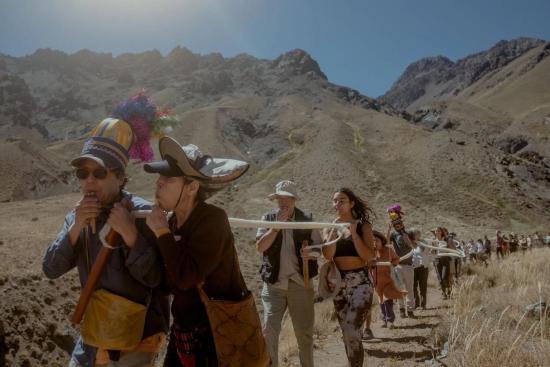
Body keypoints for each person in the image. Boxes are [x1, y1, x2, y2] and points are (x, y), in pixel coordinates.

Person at [43, 116, 170, 367]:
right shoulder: (77, 216)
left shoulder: (143, 215)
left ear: (121, 178)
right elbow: (51, 269)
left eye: (99, 173)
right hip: (93, 334)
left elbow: (158, 280)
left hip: (134, 339)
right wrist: (78, 225)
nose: (89, 180)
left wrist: (130, 235)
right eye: (83, 173)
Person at [143, 136, 254, 366]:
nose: (159, 184)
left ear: (192, 187)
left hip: (217, 332)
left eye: (168, 179)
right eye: (160, 178)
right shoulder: (172, 222)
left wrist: (162, 234)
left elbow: (185, 278)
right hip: (183, 329)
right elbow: (167, 282)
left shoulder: (213, 220)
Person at [255, 180, 322, 367]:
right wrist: (275, 227)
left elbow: (319, 249)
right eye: (279, 198)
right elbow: (260, 247)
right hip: (274, 285)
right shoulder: (267, 218)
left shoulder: (307, 220)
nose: (282, 202)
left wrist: (312, 254)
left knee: (304, 334)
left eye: (287, 198)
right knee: (269, 331)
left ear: (294, 200)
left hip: (301, 283)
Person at [322, 188, 375, 367]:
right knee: (347, 332)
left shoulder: (364, 226)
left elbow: (368, 257)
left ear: (352, 203)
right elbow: (328, 256)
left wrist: (353, 234)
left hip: (361, 282)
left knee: (352, 329)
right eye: (335, 201)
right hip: (338, 284)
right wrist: (332, 232)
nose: (337, 204)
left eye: (342, 200)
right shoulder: (330, 227)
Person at [370, 230, 405, 329]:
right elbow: (367, 264)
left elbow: (396, 259)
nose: (374, 243)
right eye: (373, 241)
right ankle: (384, 319)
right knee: (381, 300)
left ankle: (390, 320)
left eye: (376, 240)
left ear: (382, 241)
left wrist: (393, 263)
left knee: (387, 299)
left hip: (388, 280)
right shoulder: (371, 252)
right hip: (376, 281)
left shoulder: (388, 250)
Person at [388, 207, 416, 318]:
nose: (398, 225)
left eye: (399, 223)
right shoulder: (394, 234)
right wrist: (389, 229)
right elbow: (386, 242)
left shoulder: (409, 233)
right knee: (399, 289)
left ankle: (410, 310)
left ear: (402, 222)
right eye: (395, 223)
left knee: (409, 288)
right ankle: (401, 309)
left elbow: (413, 246)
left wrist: (407, 238)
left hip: (409, 265)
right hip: (398, 265)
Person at [411, 229, 432, 310]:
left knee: (423, 286)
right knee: (413, 286)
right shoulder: (410, 243)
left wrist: (418, 242)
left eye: (418, 234)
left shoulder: (424, 242)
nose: (417, 235)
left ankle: (423, 304)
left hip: (423, 267)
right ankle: (416, 303)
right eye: (415, 234)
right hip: (413, 267)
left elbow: (425, 250)